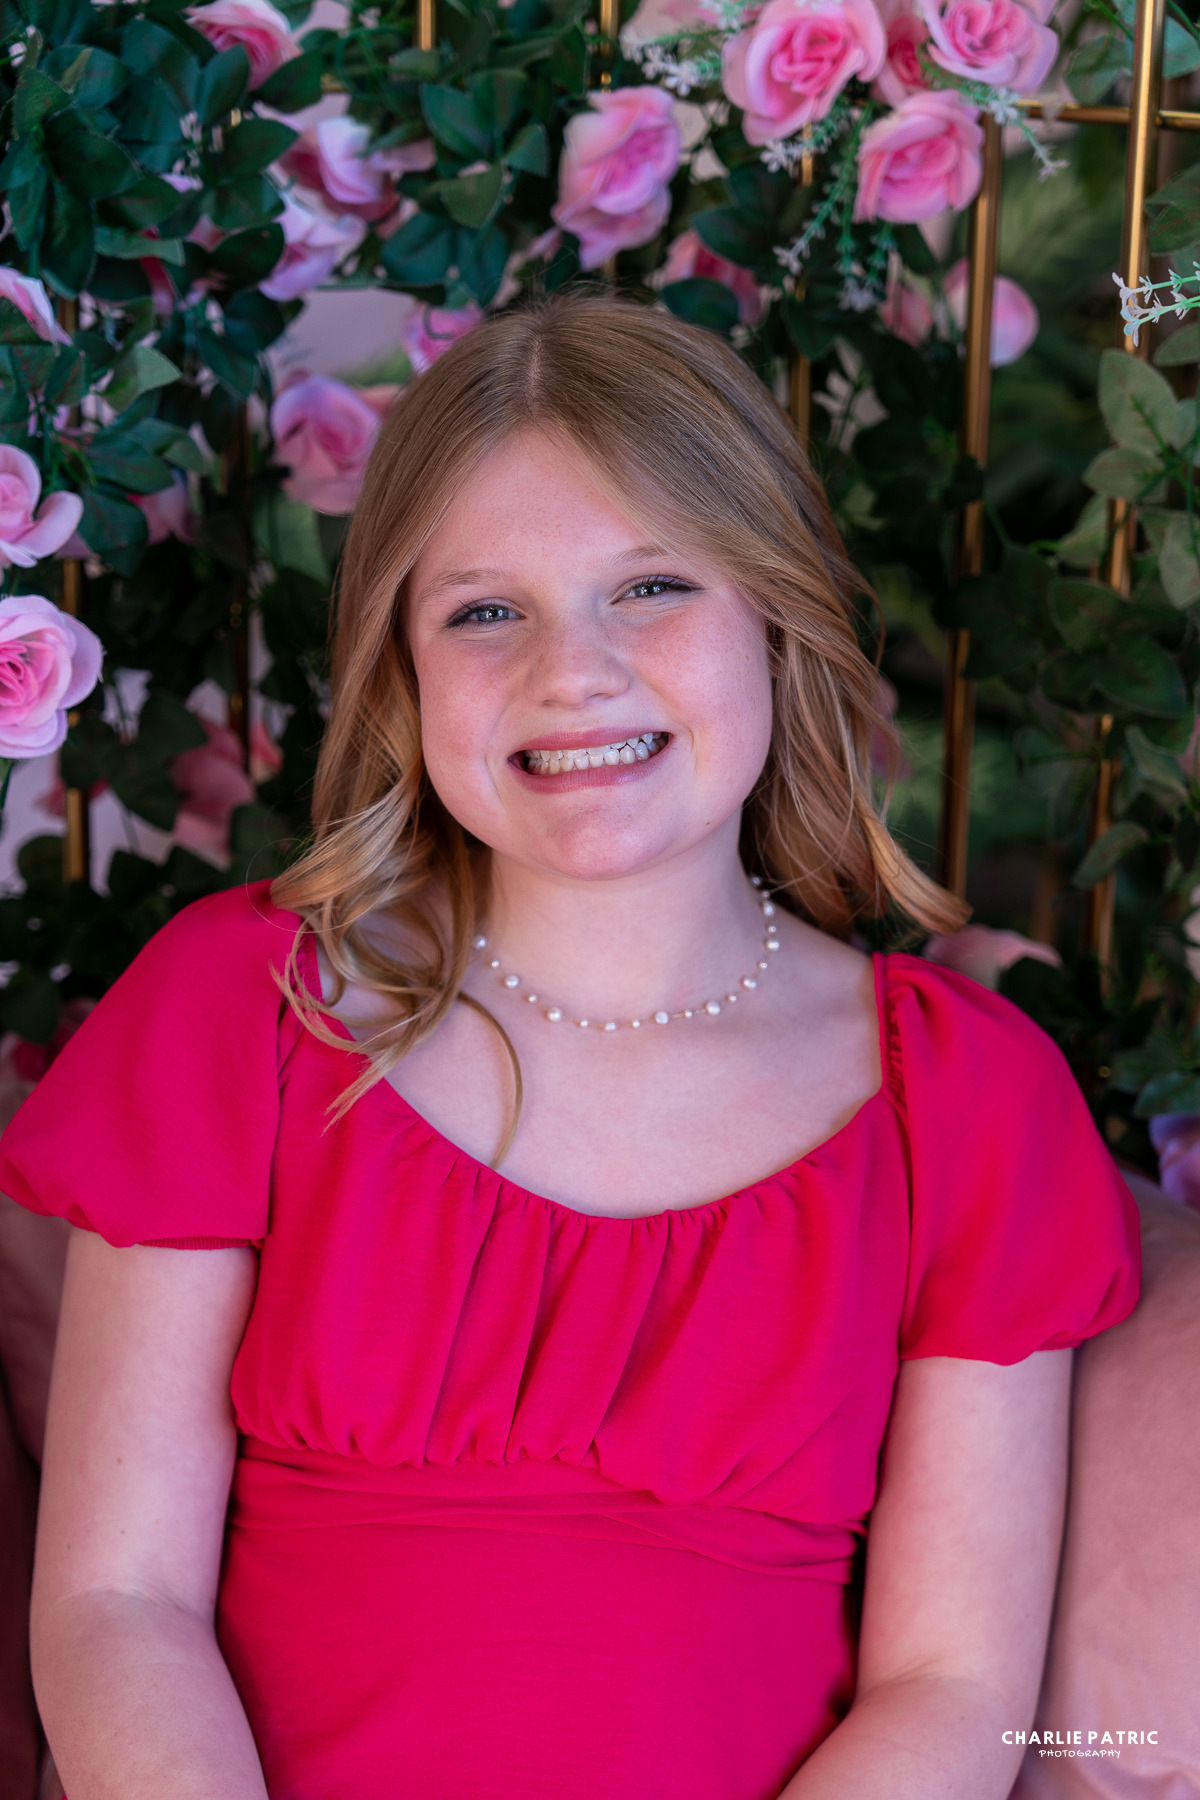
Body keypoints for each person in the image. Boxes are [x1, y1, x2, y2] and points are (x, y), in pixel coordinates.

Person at [0, 295, 1138, 1800]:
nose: (571, 671)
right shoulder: (248, 1008)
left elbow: (953, 1687)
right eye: (485, 610)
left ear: (778, 619)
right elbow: (114, 1602)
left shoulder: (968, 1100)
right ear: (400, 667)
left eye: (651, 586)